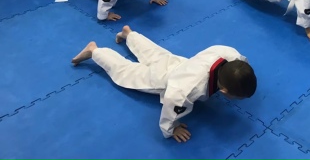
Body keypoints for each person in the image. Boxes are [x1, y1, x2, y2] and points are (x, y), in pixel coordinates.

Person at [71, 25, 256, 142]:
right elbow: (171, 102)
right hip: (166, 79)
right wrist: (171, 128)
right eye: (237, 97)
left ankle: (130, 34)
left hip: (183, 64)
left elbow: (243, 65)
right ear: (223, 91)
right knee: (126, 73)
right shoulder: (189, 89)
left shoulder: (231, 55)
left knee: (156, 54)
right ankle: (95, 51)